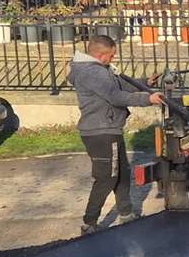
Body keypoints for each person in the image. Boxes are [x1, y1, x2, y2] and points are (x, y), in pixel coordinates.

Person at [69, 34, 164, 235]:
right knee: (106, 177)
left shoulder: (99, 70)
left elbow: (118, 85)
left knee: (122, 173)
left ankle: (126, 213)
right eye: (111, 56)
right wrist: (148, 99)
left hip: (109, 128)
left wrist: (144, 82)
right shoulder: (93, 73)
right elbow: (116, 96)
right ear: (101, 55)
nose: (113, 60)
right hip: (101, 132)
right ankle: (89, 222)